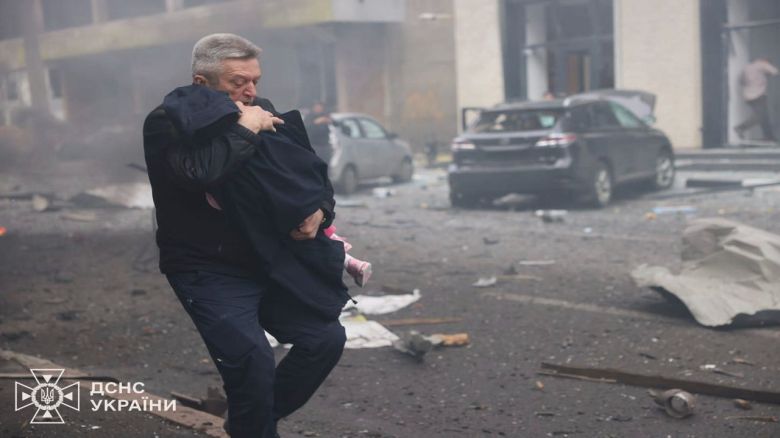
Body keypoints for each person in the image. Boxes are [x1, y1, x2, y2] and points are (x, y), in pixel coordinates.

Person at [142, 33, 347, 438]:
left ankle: (251, 422)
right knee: (252, 361)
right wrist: (246, 129)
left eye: (254, 80)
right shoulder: (166, 121)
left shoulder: (260, 110)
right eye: (238, 82)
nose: (250, 91)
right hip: (206, 267)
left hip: (267, 259)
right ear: (202, 82)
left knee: (324, 338)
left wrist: (321, 212)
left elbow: (310, 173)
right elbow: (200, 173)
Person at [735, 57, 778, 142]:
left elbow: (741, 81)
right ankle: (740, 128)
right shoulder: (762, 64)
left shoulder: (747, 67)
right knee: (760, 116)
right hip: (759, 95)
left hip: (748, 96)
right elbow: (775, 72)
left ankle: (769, 137)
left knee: (764, 117)